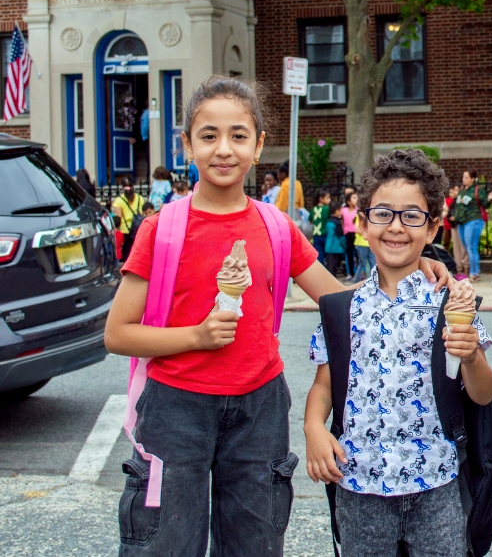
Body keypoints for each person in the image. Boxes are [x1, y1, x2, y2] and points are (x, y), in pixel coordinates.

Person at [102, 76, 344, 557]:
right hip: (175, 407)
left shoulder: (276, 226)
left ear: (258, 147)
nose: (223, 149)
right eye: (208, 136)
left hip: (260, 405)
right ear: (187, 145)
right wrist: (196, 335)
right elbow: (118, 333)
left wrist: (413, 265)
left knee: (254, 543)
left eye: (238, 135)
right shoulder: (162, 229)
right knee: (166, 543)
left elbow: (339, 300)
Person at [303, 149, 492, 557]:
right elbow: (324, 386)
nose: (395, 227)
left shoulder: (450, 304)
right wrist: (314, 429)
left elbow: (482, 393)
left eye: (412, 216)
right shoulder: (341, 309)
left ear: (432, 229)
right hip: (359, 485)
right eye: (383, 214)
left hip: (436, 483)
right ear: (363, 221)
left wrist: (472, 356)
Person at [451, 169, 485, 283]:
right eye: (463, 177)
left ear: (472, 179)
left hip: (473, 221)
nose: (463, 179)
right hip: (462, 223)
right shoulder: (462, 190)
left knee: (472, 248)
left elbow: (485, 204)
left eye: (466, 177)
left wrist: (489, 198)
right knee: (467, 247)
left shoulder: (477, 190)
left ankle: (474, 273)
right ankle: (473, 272)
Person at [112, 176, 147, 263]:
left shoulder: (119, 200)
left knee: (127, 251)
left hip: (125, 228)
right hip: (138, 227)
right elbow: (142, 213)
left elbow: (118, 216)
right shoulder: (140, 198)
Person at [324, 201, 347, 277]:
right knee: (334, 267)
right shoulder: (337, 223)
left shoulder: (329, 221)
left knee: (330, 266)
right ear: (337, 211)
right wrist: (345, 245)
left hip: (328, 247)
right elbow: (341, 236)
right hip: (335, 248)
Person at [341, 191, 361, 278]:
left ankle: (360, 273)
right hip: (348, 234)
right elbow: (342, 221)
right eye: (354, 198)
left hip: (356, 234)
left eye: (357, 197)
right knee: (349, 254)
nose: (356, 200)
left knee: (358, 254)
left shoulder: (358, 210)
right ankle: (351, 273)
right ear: (348, 201)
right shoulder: (343, 210)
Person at [311, 190, 332, 265]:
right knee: (328, 254)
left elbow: (310, 221)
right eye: (327, 198)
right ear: (321, 199)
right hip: (325, 233)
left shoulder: (313, 209)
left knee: (319, 255)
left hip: (316, 235)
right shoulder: (326, 208)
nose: (329, 200)